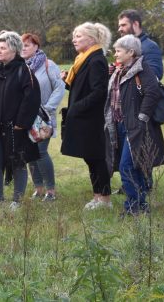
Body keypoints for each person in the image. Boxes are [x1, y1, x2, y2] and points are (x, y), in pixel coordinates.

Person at [104, 35, 164, 216]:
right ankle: (141, 205)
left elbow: (152, 93)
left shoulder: (142, 69)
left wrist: (142, 117)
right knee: (134, 166)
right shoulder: (119, 70)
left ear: (131, 52)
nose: (115, 54)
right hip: (120, 125)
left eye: (119, 51)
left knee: (126, 166)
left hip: (136, 126)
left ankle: (133, 206)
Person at [0, 31, 41, 209]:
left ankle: (17, 201)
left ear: (14, 49)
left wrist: (21, 123)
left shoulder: (24, 71)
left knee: (18, 164)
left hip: (16, 129)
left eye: (3, 48)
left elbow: (32, 99)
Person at [60, 22, 112, 210]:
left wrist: (77, 107)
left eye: (79, 36)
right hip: (83, 116)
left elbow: (99, 92)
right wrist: (68, 83)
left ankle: (105, 200)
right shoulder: (83, 59)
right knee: (90, 157)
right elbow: (84, 87)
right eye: (74, 36)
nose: (74, 40)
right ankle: (97, 197)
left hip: (91, 118)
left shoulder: (96, 60)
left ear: (91, 39)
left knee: (96, 157)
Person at [21, 33, 66, 201]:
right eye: (21, 45)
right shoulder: (20, 66)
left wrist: (47, 108)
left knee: (40, 151)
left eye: (27, 45)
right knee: (29, 152)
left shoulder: (48, 65)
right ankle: (38, 188)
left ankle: (51, 190)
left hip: (43, 118)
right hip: (25, 117)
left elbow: (59, 87)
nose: (23, 48)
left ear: (36, 47)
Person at [117, 9, 164, 80]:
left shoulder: (150, 47)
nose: (120, 29)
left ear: (136, 24)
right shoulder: (124, 48)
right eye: (119, 26)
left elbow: (154, 76)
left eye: (123, 25)